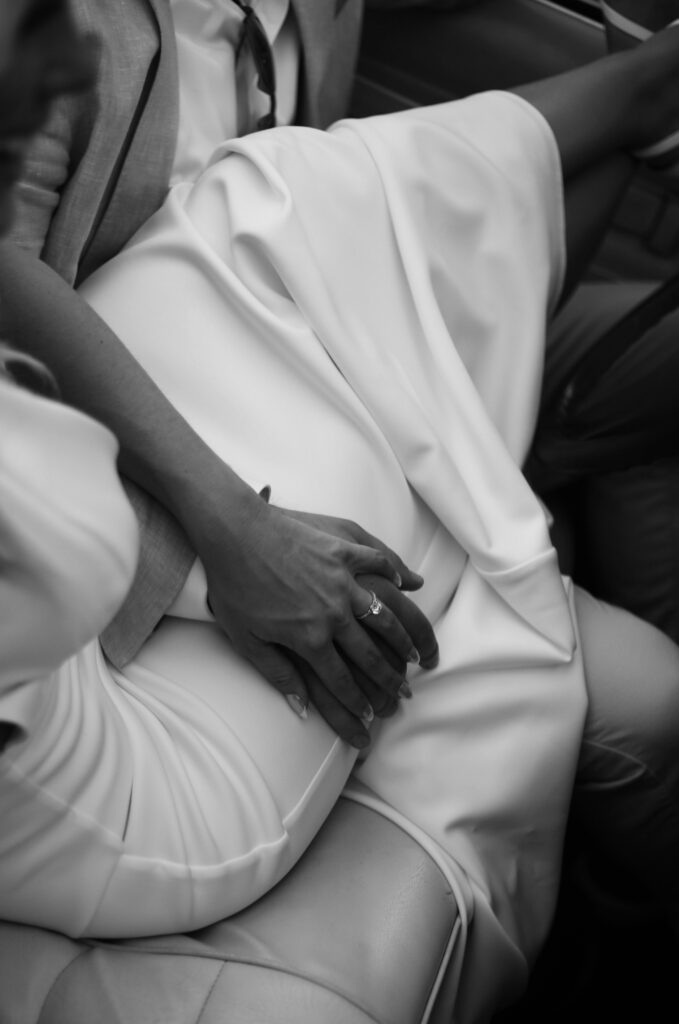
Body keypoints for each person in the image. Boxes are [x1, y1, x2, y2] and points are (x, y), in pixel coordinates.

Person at [2, 5, 679, 1023]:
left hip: (310, 357)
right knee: (266, 195)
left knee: (300, 189)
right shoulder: (67, 26)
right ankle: (647, 102)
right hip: (164, 457)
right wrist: (230, 524)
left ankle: (638, 115)